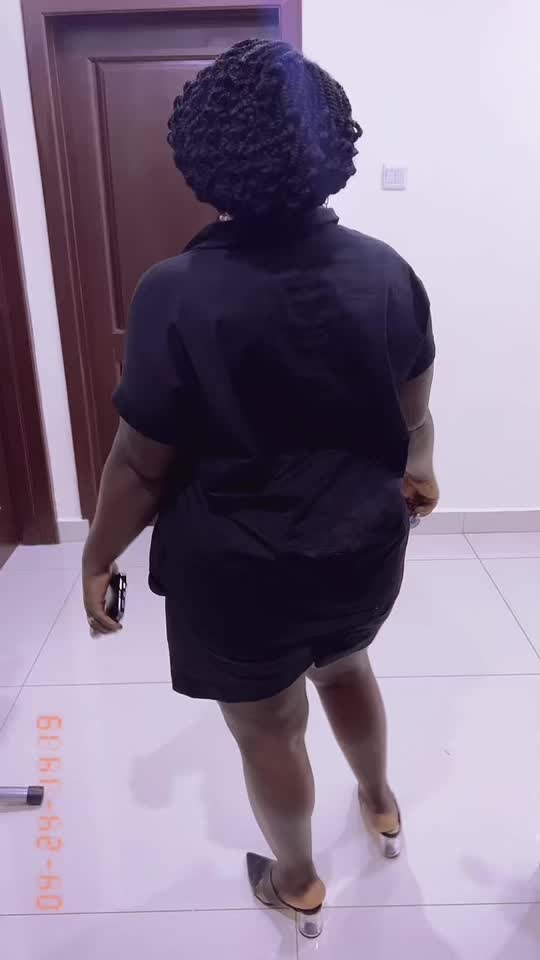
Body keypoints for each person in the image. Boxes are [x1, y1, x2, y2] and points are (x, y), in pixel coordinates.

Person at [82, 38, 438, 939]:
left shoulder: (174, 292)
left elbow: (140, 464)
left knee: (270, 726)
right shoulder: (385, 269)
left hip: (238, 568)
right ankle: (381, 802)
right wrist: (422, 470)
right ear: (332, 143)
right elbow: (412, 412)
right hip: (360, 544)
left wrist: (96, 557)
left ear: (206, 157)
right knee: (347, 667)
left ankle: (299, 880)